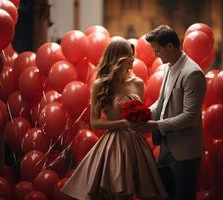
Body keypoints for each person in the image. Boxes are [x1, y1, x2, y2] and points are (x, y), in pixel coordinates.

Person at [61, 39, 168, 200]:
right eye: (129, 56)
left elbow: (139, 114)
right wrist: (122, 123)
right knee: (114, 193)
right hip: (112, 145)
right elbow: (95, 122)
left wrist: (145, 120)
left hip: (135, 144)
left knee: (132, 193)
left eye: (133, 55)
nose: (133, 59)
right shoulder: (100, 85)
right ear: (118, 58)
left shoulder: (138, 83)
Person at [133, 25, 207, 200]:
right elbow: (163, 100)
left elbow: (190, 116)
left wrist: (155, 125)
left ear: (170, 47)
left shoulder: (193, 73)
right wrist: (143, 113)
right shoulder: (167, 66)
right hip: (166, 147)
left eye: (157, 50)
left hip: (185, 151)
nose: (155, 54)